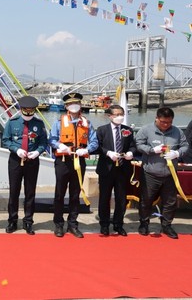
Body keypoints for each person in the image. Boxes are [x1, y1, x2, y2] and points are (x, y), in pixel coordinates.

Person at [49, 92, 98, 238]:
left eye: (76, 103)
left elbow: (94, 141)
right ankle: (58, 224)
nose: (73, 106)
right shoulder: (59, 123)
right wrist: (59, 146)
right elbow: (51, 139)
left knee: (75, 194)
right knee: (59, 193)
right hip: (63, 161)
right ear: (66, 106)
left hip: (79, 160)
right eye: (70, 104)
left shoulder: (87, 123)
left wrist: (87, 149)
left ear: (81, 105)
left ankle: (73, 223)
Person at [135, 107, 189, 239]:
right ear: (157, 119)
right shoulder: (146, 130)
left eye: (169, 122)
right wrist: (152, 150)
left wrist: (177, 153)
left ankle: (166, 225)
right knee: (146, 200)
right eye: (163, 122)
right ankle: (144, 223)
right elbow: (138, 144)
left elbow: (185, 146)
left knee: (170, 201)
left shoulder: (177, 131)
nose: (166, 125)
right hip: (151, 172)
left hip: (170, 173)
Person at [1, 96, 48, 235]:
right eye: (26, 110)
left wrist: (37, 152)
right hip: (16, 160)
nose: (28, 113)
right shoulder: (12, 123)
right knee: (14, 192)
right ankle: (12, 220)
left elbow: (43, 142)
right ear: (21, 110)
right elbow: (5, 140)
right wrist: (17, 149)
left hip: (32, 161)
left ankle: (28, 221)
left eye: (31, 111)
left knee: (30, 192)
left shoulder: (39, 124)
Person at [94, 104, 136, 236]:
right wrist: (108, 153)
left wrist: (130, 153)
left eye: (121, 114)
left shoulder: (128, 130)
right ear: (109, 116)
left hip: (123, 169)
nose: (119, 117)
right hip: (106, 169)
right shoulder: (101, 130)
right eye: (116, 115)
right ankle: (104, 224)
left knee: (121, 198)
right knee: (104, 198)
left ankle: (118, 224)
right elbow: (97, 147)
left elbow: (133, 146)